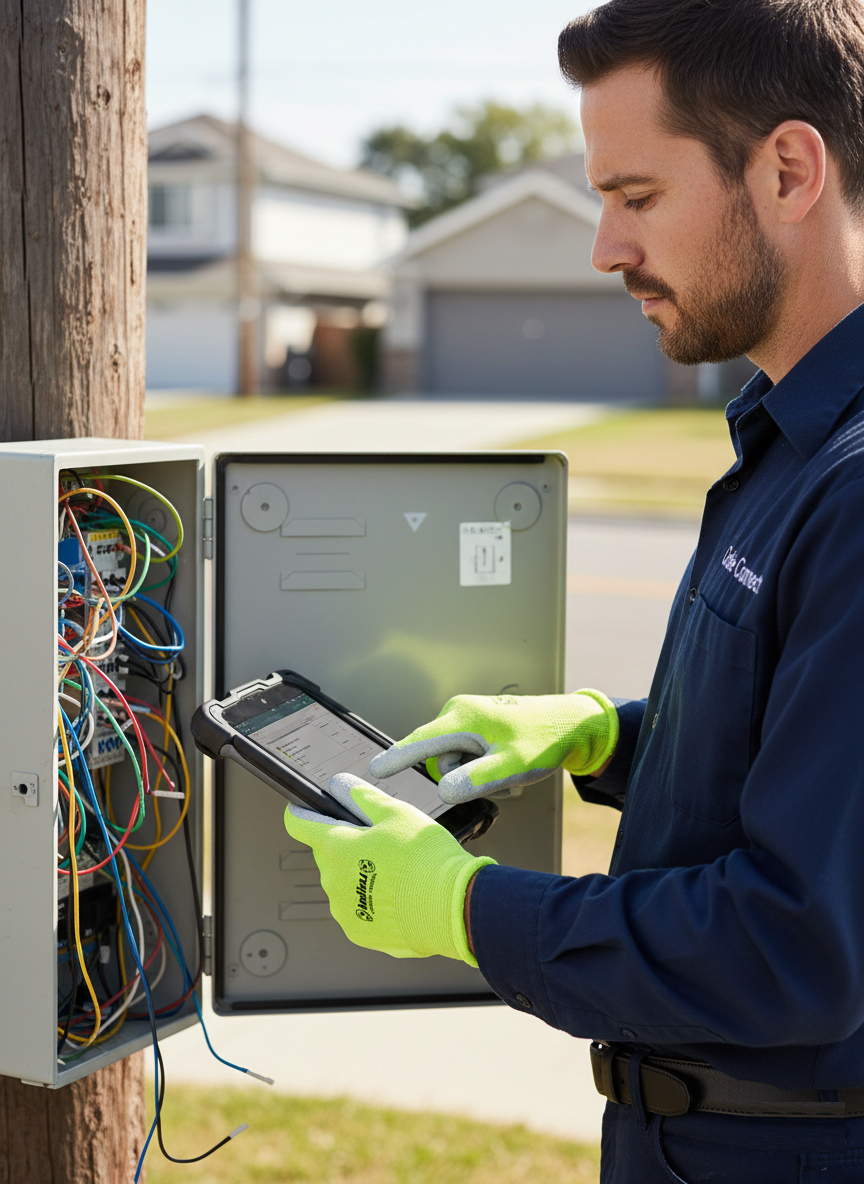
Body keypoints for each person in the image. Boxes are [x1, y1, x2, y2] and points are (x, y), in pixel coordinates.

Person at [283, 1, 864, 1179]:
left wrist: (468, 907)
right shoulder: (787, 438)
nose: (605, 247)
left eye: (638, 196)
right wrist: (605, 737)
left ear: (791, 169)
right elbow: (802, 747)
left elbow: (793, 944)